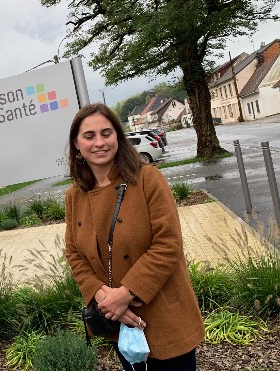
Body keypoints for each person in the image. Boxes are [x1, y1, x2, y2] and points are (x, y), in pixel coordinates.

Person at [64, 103, 204, 370]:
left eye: (106, 133)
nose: (99, 143)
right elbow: (73, 252)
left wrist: (127, 293)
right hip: (120, 320)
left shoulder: (148, 179)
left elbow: (168, 244)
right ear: (76, 144)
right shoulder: (74, 195)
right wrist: (101, 295)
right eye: (89, 136)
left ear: (118, 136)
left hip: (165, 314)